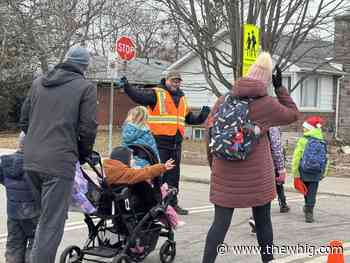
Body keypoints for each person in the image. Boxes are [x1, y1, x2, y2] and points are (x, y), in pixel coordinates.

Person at [202, 52, 299, 263]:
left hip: (223, 173)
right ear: (266, 80)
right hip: (257, 178)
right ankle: (268, 260)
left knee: (219, 225)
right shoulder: (267, 104)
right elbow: (293, 114)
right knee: (263, 222)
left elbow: (209, 134)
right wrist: (280, 88)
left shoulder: (223, 99)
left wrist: (215, 166)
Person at [20, 46, 98, 263]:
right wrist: (82, 154)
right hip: (59, 162)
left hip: (31, 160)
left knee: (44, 219)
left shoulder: (38, 83)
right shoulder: (86, 88)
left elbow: (24, 120)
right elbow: (88, 128)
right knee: (51, 223)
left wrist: (37, 141)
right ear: (84, 67)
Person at [119, 71, 210, 215]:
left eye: (178, 81)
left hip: (175, 144)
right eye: (173, 80)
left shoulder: (182, 98)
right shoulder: (156, 93)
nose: (176, 83)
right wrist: (127, 87)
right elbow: (138, 96)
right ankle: (155, 204)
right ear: (166, 80)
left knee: (173, 176)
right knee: (158, 174)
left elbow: (189, 119)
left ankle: (172, 204)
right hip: (158, 142)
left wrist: (202, 116)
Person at [0, 132, 40, 263]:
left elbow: (3, 180)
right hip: (33, 212)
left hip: (13, 212)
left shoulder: (4, 163)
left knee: (14, 246)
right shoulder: (37, 164)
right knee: (35, 245)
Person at [249, 126, 290, 234]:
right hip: (268, 164)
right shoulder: (272, 124)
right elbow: (276, 147)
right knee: (270, 193)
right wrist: (281, 168)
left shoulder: (250, 118)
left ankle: (255, 219)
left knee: (259, 193)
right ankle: (256, 219)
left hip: (252, 164)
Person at [291, 116, 329, 223]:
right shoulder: (322, 141)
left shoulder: (303, 140)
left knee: (306, 191)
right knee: (312, 192)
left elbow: (296, 157)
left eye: (305, 128)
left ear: (309, 129)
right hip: (317, 171)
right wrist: (323, 172)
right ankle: (309, 211)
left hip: (304, 170)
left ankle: (308, 209)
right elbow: (326, 158)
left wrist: (295, 173)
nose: (303, 129)